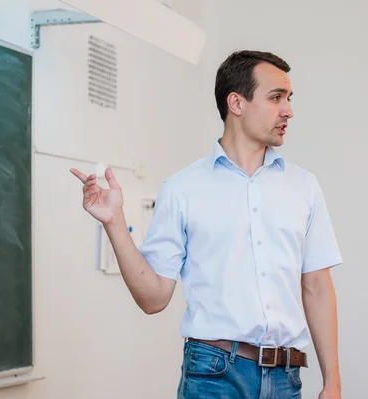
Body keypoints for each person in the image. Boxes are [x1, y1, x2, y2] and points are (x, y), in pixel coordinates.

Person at [70, 50, 343, 399]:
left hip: (285, 379)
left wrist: (332, 382)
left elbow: (317, 287)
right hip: (213, 376)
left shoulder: (304, 187)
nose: (288, 110)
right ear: (237, 103)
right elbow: (153, 298)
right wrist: (115, 222)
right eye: (276, 98)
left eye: (288, 99)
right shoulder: (183, 188)